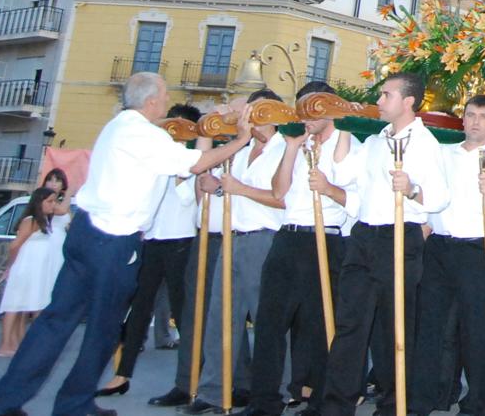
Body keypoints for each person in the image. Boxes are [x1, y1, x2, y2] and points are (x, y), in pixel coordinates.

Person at [0, 71, 250, 416]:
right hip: (114, 242)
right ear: (152, 101)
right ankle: (74, 405)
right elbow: (198, 164)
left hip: (86, 233)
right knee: (104, 329)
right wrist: (240, 139)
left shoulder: (118, 126)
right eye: (165, 96)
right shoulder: (142, 134)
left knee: (55, 321)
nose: (168, 102)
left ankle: (4, 402)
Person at [319, 72, 452, 416]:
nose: (379, 101)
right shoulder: (376, 141)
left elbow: (438, 198)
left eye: (386, 95)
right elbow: (347, 176)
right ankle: (336, 406)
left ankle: (395, 405)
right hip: (364, 236)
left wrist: (410, 188)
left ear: (408, 102)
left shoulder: (424, 143)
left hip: (399, 235)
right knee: (350, 323)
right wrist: (344, 123)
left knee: (394, 327)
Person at [239, 82, 361, 416]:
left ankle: (320, 401)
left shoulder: (348, 144)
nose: (305, 116)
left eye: (313, 109)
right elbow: (279, 193)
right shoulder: (291, 144)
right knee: (269, 323)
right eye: (302, 109)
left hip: (326, 239)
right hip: (287, 238)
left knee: (320, 327)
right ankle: (263, 402)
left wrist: (328, 188)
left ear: (328, 109)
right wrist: (292, 148)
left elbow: (356, 200)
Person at [409, 94, 485, 416]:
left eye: (483, 116)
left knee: (477, 329)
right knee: (430, 325)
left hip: (478, 248)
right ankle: (425, 398)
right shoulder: (444, 155)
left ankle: (478, 402)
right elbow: (429, 198)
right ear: (463, 118)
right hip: (440, 247)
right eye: (470, 115)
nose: (475, 121)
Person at [185, 89, 288, 414]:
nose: (249, 118)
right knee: (220, 315)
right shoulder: (240, 152)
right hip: (233, 236)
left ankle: (267, 392)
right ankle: (214, 390)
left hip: (265, 239)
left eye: (256, 111)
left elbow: (283, 197)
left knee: (265, 320)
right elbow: (227, 189)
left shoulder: (286, 149)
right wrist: (215, 187)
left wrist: (238, 188)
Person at [101, 103, 201, 398]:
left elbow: (186, 199)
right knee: (138, 310)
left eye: (182, 126)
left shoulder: (192, 160)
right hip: (153, 239)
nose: (175, 130)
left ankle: (189, 380)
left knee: (184, 314)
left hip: (181, 241)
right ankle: (122, 373)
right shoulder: (155, 154)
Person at [0, 187, 69, 355]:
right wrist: (10, 266)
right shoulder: (30, 220)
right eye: (49, 201)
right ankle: (5, 344)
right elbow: (15, 245)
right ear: (39, 202)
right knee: (14, 304)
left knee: (23, 304)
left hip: (35, 270)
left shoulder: (44, 221)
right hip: (24, 268)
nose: (53, 205)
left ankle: (16, 343)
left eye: (54, 201)